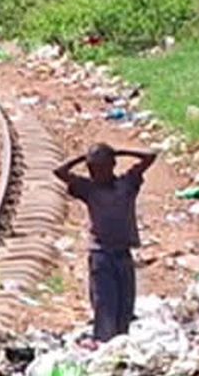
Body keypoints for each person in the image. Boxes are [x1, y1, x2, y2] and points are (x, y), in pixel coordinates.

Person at [54, 144, 158, 343]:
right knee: (105, 306)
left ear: (112, 166)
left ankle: (119, 346)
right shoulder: (88, 189)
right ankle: (104, 346)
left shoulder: (127, 184)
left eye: (101, 167)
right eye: (93, 169)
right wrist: (85, 157)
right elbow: (60, 171)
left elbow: (150, 157)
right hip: (100, 255)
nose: (96, 173)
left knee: (125, 307)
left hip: (123, 254)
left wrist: (119, 151)